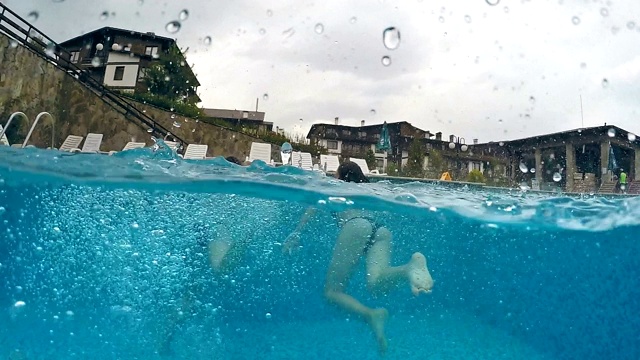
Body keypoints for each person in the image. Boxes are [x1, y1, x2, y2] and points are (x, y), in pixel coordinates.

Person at [282, 161, 434, 355]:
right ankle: (408, 268)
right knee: (376, 285)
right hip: (380, 229)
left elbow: (312, 207)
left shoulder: (336, 187)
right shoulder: (368, 188)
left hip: (356, 226)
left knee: (332, 291)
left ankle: (369, 314)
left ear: (340, 176)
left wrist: (296, 232)